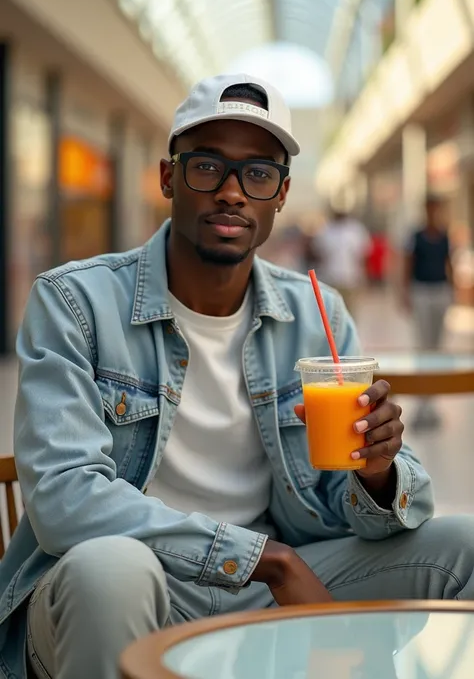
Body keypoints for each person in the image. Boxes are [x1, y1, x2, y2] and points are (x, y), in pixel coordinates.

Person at [0, 75, 473, 679]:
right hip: (139, 586)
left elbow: (342, 508)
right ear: (169, 177)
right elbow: (64, 500)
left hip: (269, 581)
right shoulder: (75, 304)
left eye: (257, 173)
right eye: (208, 167)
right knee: (111, 571)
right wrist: (263, 559)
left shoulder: (316, 312)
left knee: (464, 544)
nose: (232, 193)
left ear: (280, 194)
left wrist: (377, 474)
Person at [402, 195, 453, 428]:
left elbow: (448, 263)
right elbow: (408, 263)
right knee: (423, 346)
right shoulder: (417, 236)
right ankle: (423, 404)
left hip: (440, 290)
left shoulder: (444, 236)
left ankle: (432, 402)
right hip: (421, 291)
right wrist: (404, 292)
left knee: (436, 347)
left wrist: (452, 291)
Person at [311, 208, 371, 317]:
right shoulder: (326, 230)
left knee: (349, 313)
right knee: (330, 313)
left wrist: (364, 277)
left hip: (350, 278)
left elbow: (363, 255)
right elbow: (317, 253)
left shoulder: (356, 230)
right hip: (329, 278)